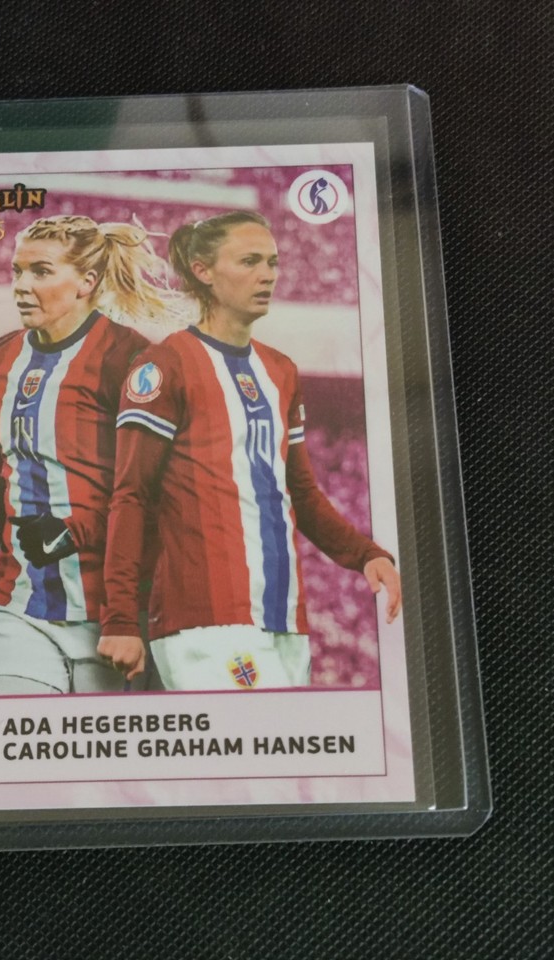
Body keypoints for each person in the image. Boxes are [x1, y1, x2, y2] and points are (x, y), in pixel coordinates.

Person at [99, 211, 401, 690]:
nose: (268, 275)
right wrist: (119, 617)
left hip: (284, 620)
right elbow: (130, 496)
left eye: (272, 263)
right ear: (203, 271)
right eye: (250, 262)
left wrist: (364, 554)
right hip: (204, 622)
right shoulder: (165, 366)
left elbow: (300, 492)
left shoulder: (281, 371)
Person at [0, 214, 172, 695]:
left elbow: (155, 490)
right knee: (2, 730)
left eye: (40, 271)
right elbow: (18, 469)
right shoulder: (3, 357)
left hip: (114, 611)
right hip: (16, 599)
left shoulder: (132, 360)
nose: (22, 285)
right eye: (17, 271)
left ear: (87, 281)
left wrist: (73, 531)